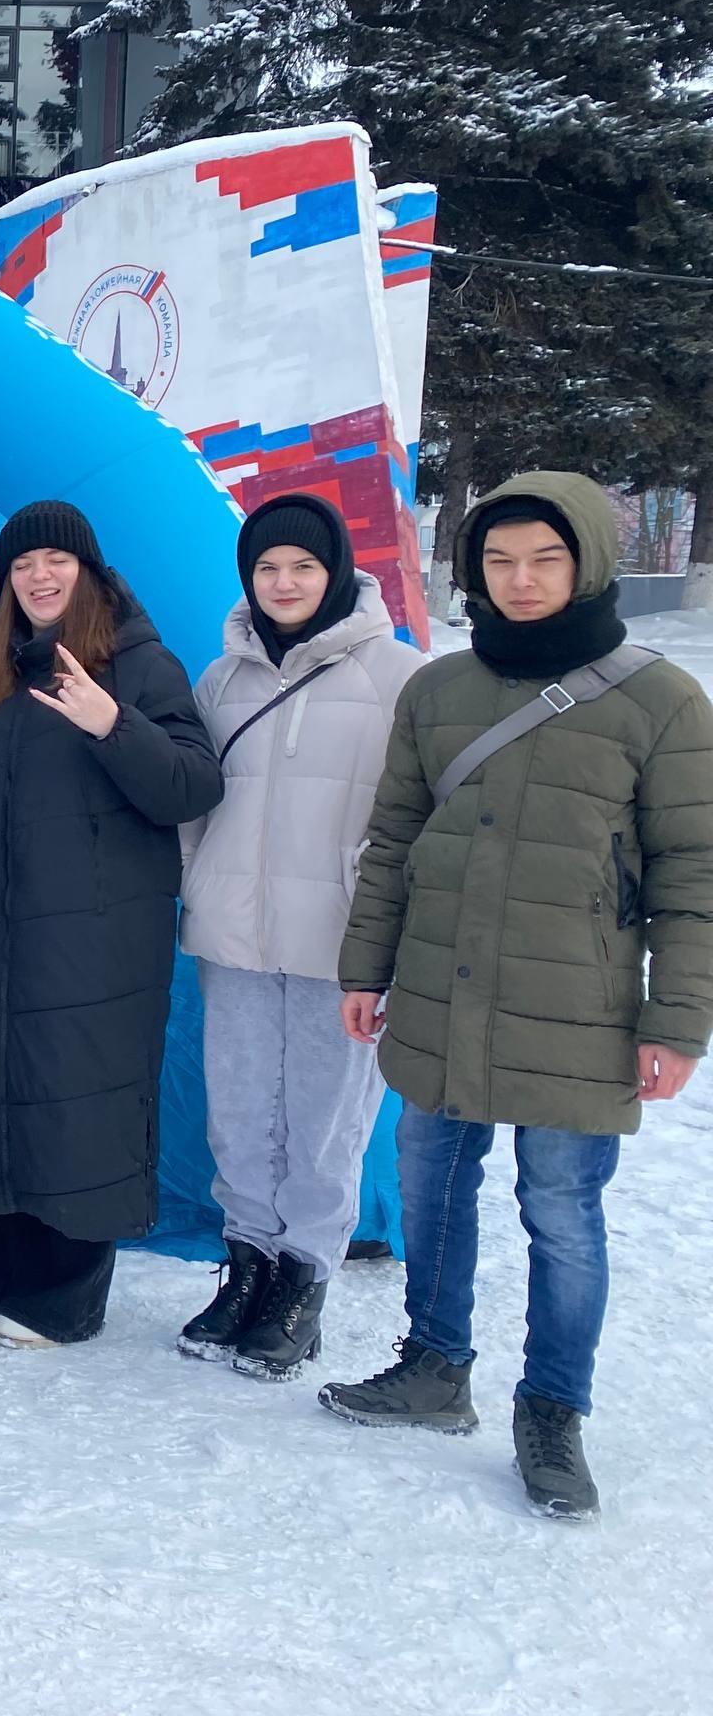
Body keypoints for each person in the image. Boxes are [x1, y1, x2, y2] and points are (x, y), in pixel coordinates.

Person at [325, 471, 712, 1521]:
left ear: (585, 561)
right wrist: (367, 966)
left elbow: (692, 873)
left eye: (544, 558)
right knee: (433, 1185)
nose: (522, 579)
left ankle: (551, 1412)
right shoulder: (438, 691)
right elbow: (392, 840)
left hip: (576, 1009)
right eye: (498, 561)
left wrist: (676, 1020)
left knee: (562, 1213)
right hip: (442, 990)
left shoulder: (659, 702)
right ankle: (433, 1365)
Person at [0, 500, 223, 1348]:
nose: (40, 577)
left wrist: (111, 724)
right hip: (1, 927)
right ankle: (3, 1275)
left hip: (97, 937)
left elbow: (191, 787)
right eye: (23, 565)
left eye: (56, 561)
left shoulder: (137, 663)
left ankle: (64, 1296)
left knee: (78, 1104)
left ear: (88, 571)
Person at [177, 493, 423, 1378]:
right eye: (268, 568)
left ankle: (304, 1281)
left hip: (340, 940)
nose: (284, 583)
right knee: (240, 1108)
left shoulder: (397, 676)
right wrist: (193, 883)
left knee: (326, 1118)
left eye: (303, 567)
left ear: (337, 574)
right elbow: (194, 804)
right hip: (235, 932)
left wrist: (387, 925)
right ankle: (247, 1268)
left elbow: (414, 813)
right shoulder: (222, 679)